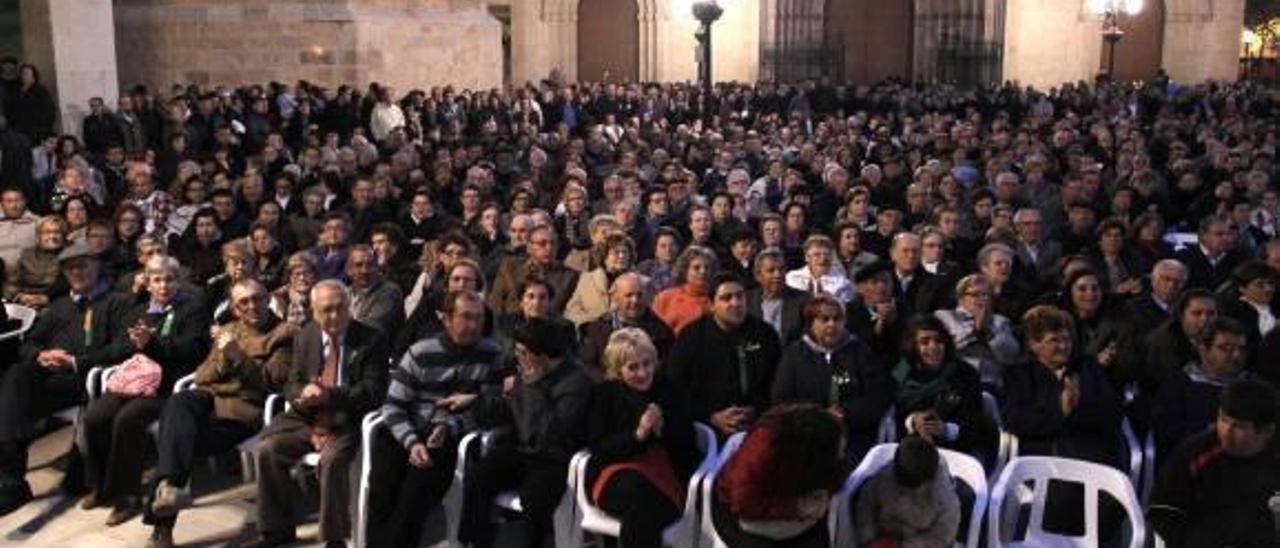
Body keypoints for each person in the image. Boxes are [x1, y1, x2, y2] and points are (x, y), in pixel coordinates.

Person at [143, 279, 297, 548]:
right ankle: (171, 487)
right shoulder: (228, 329)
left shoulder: (284, 334)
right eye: (244, 302)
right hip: (210, 400)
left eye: (257, 298)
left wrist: (238, 358)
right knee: (179, 402)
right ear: (235, 308)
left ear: (267, 298)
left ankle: (162, 522)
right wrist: (225, 360)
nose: (252, 306)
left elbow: (272, 382)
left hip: (243, 411)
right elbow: (202, 375)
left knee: (177, 441)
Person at [249, 280, 389, 548]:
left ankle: (334, 539)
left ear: (350, 307)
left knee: (332, 459)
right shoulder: (306, 335)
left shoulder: (372, 339)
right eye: (327, 310)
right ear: (314, 311)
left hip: (347, 418)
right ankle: (276, 530)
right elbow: (291, 382)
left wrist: (330, 395)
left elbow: (373, 392)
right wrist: (302, 393)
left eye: (341, 308)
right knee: (267, 449)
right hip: (308, 416)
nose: (335, 316)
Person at [0, 242, 134, 515]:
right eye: (71, 268)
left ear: (97, 265)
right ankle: (13, 481)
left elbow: (122, 348)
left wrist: (75, 362)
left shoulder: (118, 302)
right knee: (16, 375)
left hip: (87, 379)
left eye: (83, 265)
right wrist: (41, 354)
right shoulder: (59, 307)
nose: (77, 272)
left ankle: (13, 480)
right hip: (51, 377)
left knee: (12, 400)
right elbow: (28, 343)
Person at [366, 289, 504, 548]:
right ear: (447, 319)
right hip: (405, 429)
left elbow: (490, 408)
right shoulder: (420, 352)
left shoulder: (492, 354)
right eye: (465, 317)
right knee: (381, 489)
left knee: (414, 495)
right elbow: (393, 406)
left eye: (478, 318)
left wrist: (450, 425)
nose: (474, 325)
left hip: (449, 437)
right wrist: (411, 442)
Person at [80, 255, 210, 526]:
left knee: (127, 420)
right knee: (94, 417)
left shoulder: (193, 309)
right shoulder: (138, 311)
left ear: (179, 281)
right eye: (157, 280)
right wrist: (136, 344)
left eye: (170, 279)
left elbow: (193, 351)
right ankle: (101, 485)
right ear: (148, 283)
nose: (164, 286)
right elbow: (119, 348)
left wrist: (152, 343)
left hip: (166, 385)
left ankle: (127, 497)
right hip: (133, 380)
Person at [458, 317, 593, 548]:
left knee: (535, 498)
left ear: (540, 354)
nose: (516, 356)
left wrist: (534, 388)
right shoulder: (528, 371)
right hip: (524, 450)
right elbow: (511, 411)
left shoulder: (575, 382)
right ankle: (474, 542)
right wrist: (476, 403)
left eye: (522, 351)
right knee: (479, 476)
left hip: (556, 458)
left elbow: (549, 434)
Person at [585, 328, 700, 548]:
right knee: (640, 497)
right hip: (616, 472)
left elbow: (688, 442)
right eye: (633, 367)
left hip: (665, 473)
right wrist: (637, 435)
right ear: (619, 370)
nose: (643, 373)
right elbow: (599, 448)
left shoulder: (668, 388)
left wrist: (662, 429)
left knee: (643, 509)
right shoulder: (605, 394)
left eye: (647, 364)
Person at [1148, 378, 1280, 548]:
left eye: (1239, 426)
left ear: (1267, 431)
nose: (1226, 432)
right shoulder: (1195, 452)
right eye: (1223, 419)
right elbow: (1162, 510)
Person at [1002, 305, 1124, 467]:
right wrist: (1061, 411)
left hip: (1092, 454)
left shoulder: (1088, 369)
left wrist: (1078, 408)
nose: (1063, 346)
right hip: (1042, 459)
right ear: (1034, 344)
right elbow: (1015, 420)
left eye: (1066, 339)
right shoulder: (1019, 376)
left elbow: (1113, 411)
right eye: (1054, 340)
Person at [711, 404, 845, 548]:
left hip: (795, 502)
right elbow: (743, 502)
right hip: (737, 511)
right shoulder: (765, 445)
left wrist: (820, 500)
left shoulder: (823, 449)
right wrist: (796, 507)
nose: (841, 453)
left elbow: (834, 479)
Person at [772, 294, 889, 458]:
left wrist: (845, 414)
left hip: (853, 436)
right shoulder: (794, 354)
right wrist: (820, 416)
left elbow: (876, 396)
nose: (832, 324)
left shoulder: (860, 351)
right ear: (811, 322)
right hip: (805, 436)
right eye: (824, 319)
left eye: (837, 319)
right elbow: (782, 399)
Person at [669, 273, 782, 437]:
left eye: (739, 296)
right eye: (726, 298)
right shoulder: (691, 337)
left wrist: (756, 410)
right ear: (711, 305)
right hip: (704, 425)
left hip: (757, 422)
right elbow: (676, 388)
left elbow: (776, 383)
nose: (735, 303)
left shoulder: (765, 334)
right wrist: (711, 417)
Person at [892, 316, 997, 463]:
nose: (933, 346)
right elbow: (892, 413)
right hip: (910, 450)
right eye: (924, 342)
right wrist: (912, 421)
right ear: (912, 345)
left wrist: (946, 429)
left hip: (958, 449)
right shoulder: (901, 371)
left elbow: (977, 423)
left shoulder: (965, 373)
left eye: (939, 340)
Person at [1152, 318, 1255, 457]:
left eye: (1241, 349)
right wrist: (1208, 430)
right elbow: (1164, 429)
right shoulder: (1179, 384)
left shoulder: (1255, 386)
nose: (1236, 355)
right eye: (1225, 348)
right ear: (1203, 349)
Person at [854, 436, 962, 548]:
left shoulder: (945, 499)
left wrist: (906, 545)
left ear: (927, 482)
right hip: (880, 538)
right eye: (901, 489)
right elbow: (865, 506)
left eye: (912, 491)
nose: (905, 494)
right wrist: (869, 539)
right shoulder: (883, 477)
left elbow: (942, 536)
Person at [578, 272, 675, 379]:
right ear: (615, 297)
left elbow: (667, 367)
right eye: (629, 295)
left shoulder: (662, 331)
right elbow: (587, 365)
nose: (635, 301)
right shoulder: (597, 329)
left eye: (639, 295)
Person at [935, 274, 1022, 393]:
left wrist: (988, 333)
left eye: (985, 295)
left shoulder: (1000, 321)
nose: (982, 299)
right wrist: (975, 332)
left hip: (990, 382)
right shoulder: (945, 317)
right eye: (975, 294)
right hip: (956, 381)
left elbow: (1010, 355)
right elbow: (945, 348)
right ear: (961, 298)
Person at [487, 224, 579, 315]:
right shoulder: (510, 267)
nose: (549, 248)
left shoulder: (569, 276)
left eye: (553, 243)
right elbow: (495, 304)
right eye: (542, 244)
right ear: (529, 248)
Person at [564, 232, 638, 327]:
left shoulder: (639, 282)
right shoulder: (587, 279)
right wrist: (595, 319)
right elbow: (571, 312)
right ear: (605, 256)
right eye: (616, 252)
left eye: (625, 252)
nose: (621, 256)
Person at [746, 247, 809, 344]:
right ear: (758, 276)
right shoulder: (747, 301)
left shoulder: (802, 300)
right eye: (771, 270)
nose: (778, 275)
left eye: (781, 269)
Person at [652, 245, 718, 334]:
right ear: (685, 270)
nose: (703, 271)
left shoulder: (717, 300)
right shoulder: (665, 297)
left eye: (707, 268)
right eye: (696, 268)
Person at [344, 244, 404, 336]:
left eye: (370, 265)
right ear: (348, 270)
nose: (365, 270)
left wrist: (338, 323)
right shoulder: (344, 293)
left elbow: (371, 328)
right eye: (359, 265)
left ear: (377, 268)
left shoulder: (389, 291)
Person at [785, 235, 853, 303]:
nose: (823, 259)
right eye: (817, 255)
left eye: (827, 255)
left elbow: (843, 308)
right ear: (807, 257)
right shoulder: (792, 278)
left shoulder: (843, 283)